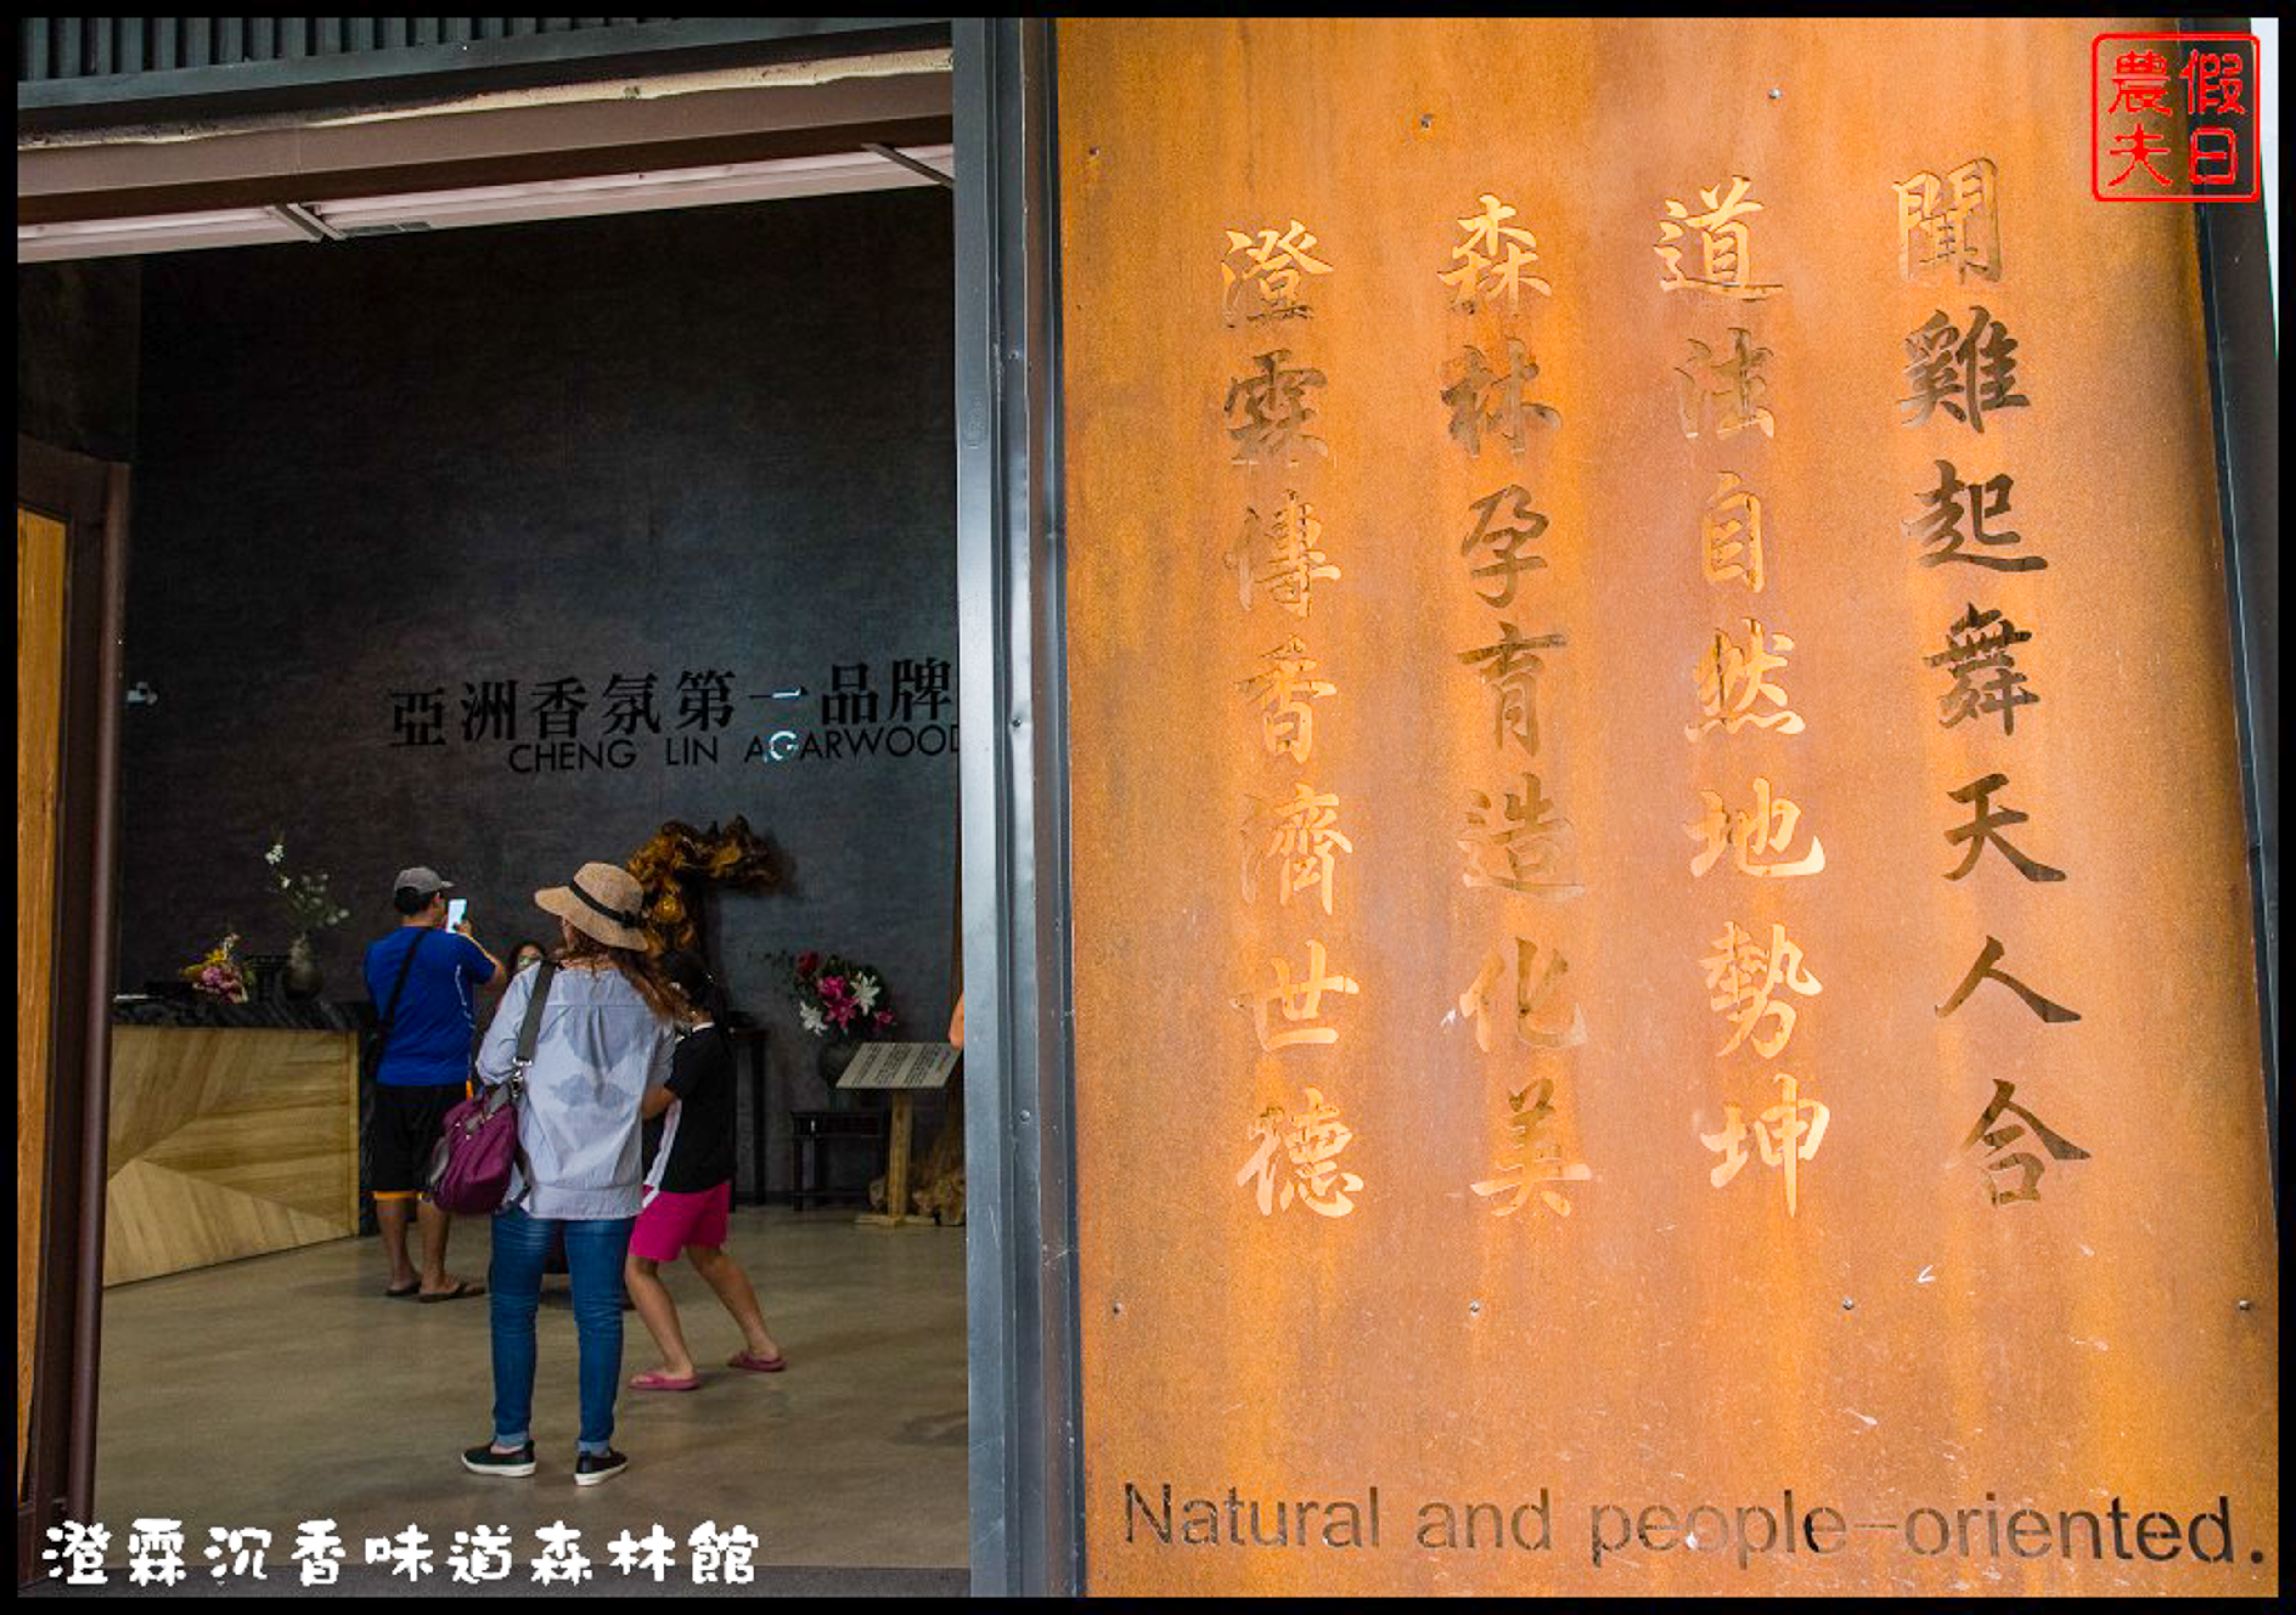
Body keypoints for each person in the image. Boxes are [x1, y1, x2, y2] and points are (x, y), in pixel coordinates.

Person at [462, 861, 678, 1487]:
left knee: (513, 1309)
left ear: (569, 921)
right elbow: (659, 1080)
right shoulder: (654, 997)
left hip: (533, 1178)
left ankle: (511, 1444)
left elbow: (493, 1062)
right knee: (600, 1315)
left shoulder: (536, 984)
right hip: (612, 1179)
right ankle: (594, 1448)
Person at [625, 951, 786, 1391]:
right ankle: (762, 1346)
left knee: (636, 1267)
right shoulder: (714, 1037)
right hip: (713, 1171)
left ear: (675, 994)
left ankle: (677, 1365)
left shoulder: (694, 1047)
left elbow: (651, 1107)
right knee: (707, 1254)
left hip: (678, 1174)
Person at [363, 865, 500, 1302]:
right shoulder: (454, 948)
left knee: (389, 1179)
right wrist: (468, 938)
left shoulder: (377, 952)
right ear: (437, 902)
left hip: (390, 1079)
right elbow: (499, 977)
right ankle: (435, 1277)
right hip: (441, 1079)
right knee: (434, 1178)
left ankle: (400, 1273)